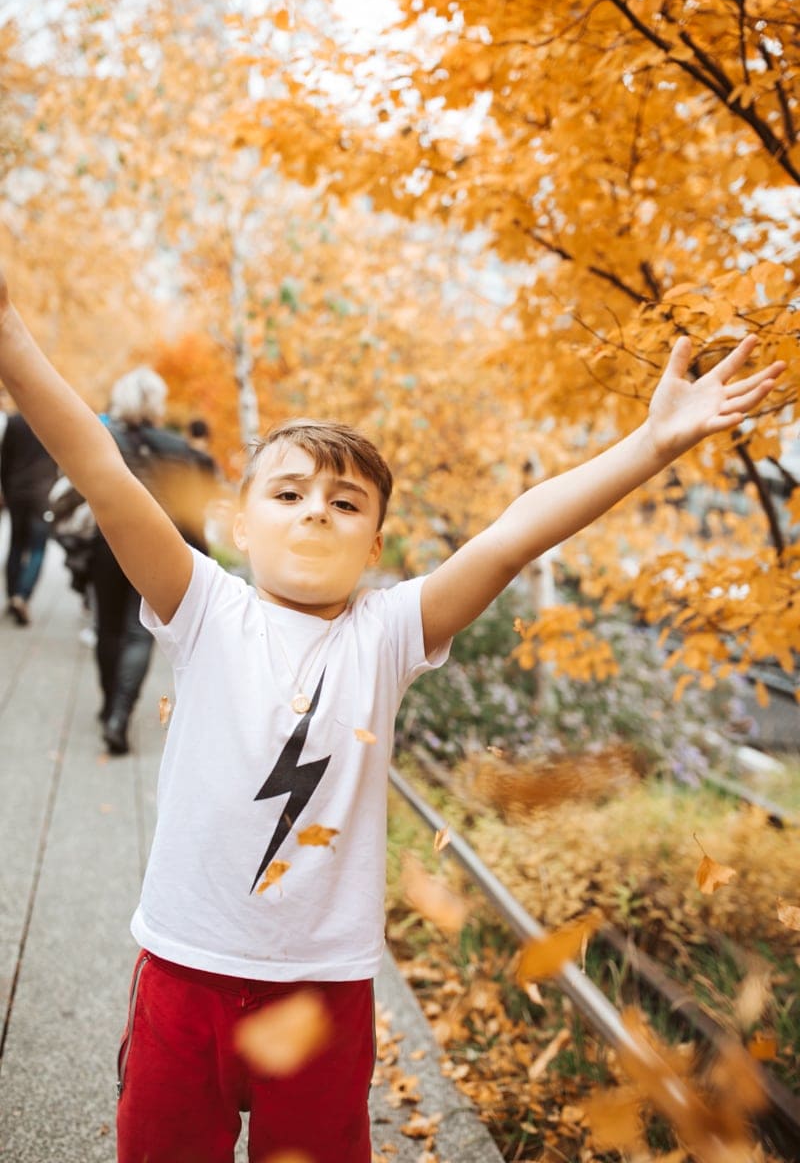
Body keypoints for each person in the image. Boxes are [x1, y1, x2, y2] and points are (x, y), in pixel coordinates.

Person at [0, 263, 784, 1163]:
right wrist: (11, 335)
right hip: (186, 973)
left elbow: (512, 534)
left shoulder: (388, 634)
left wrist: (650, 447)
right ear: (237, 524)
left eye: (345, 503)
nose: (316, 514)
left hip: (325, 994)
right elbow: (100, 469)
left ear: (375, 545)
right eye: (288, 494)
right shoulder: (204, 606)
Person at [92, 366, 216, 755]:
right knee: (135, 630)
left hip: (108, 544)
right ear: (157, 402)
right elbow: (190, 511)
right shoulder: (178, 448)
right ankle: (119, 714)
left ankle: (110, 700)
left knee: (106, 627)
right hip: (159, 548)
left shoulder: (105, 439)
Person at [0, 408, 58, 625]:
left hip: (16, 491)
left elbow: (5, 460)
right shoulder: (51, 419)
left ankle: (12, 593)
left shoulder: (14, 422)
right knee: (37, 547)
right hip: (42, 493)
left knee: (16, 544)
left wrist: (6, 490)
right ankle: (22, 595)